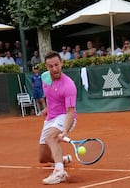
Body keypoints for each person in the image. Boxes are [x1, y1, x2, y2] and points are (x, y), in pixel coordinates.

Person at [39, 51, 77, 185]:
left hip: (65, 117)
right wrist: (47, 109)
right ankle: (62, 158)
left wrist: (65, 131)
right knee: (43, 158)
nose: (54, 69)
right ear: (46, 67)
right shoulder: (45, 77)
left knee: (51, 137)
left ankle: (59, 172)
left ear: (61, 63)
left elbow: (70, 112)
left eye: (56, 65)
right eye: (50, 66)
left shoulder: (69, 85)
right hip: (50, 117)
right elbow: (51, 98)